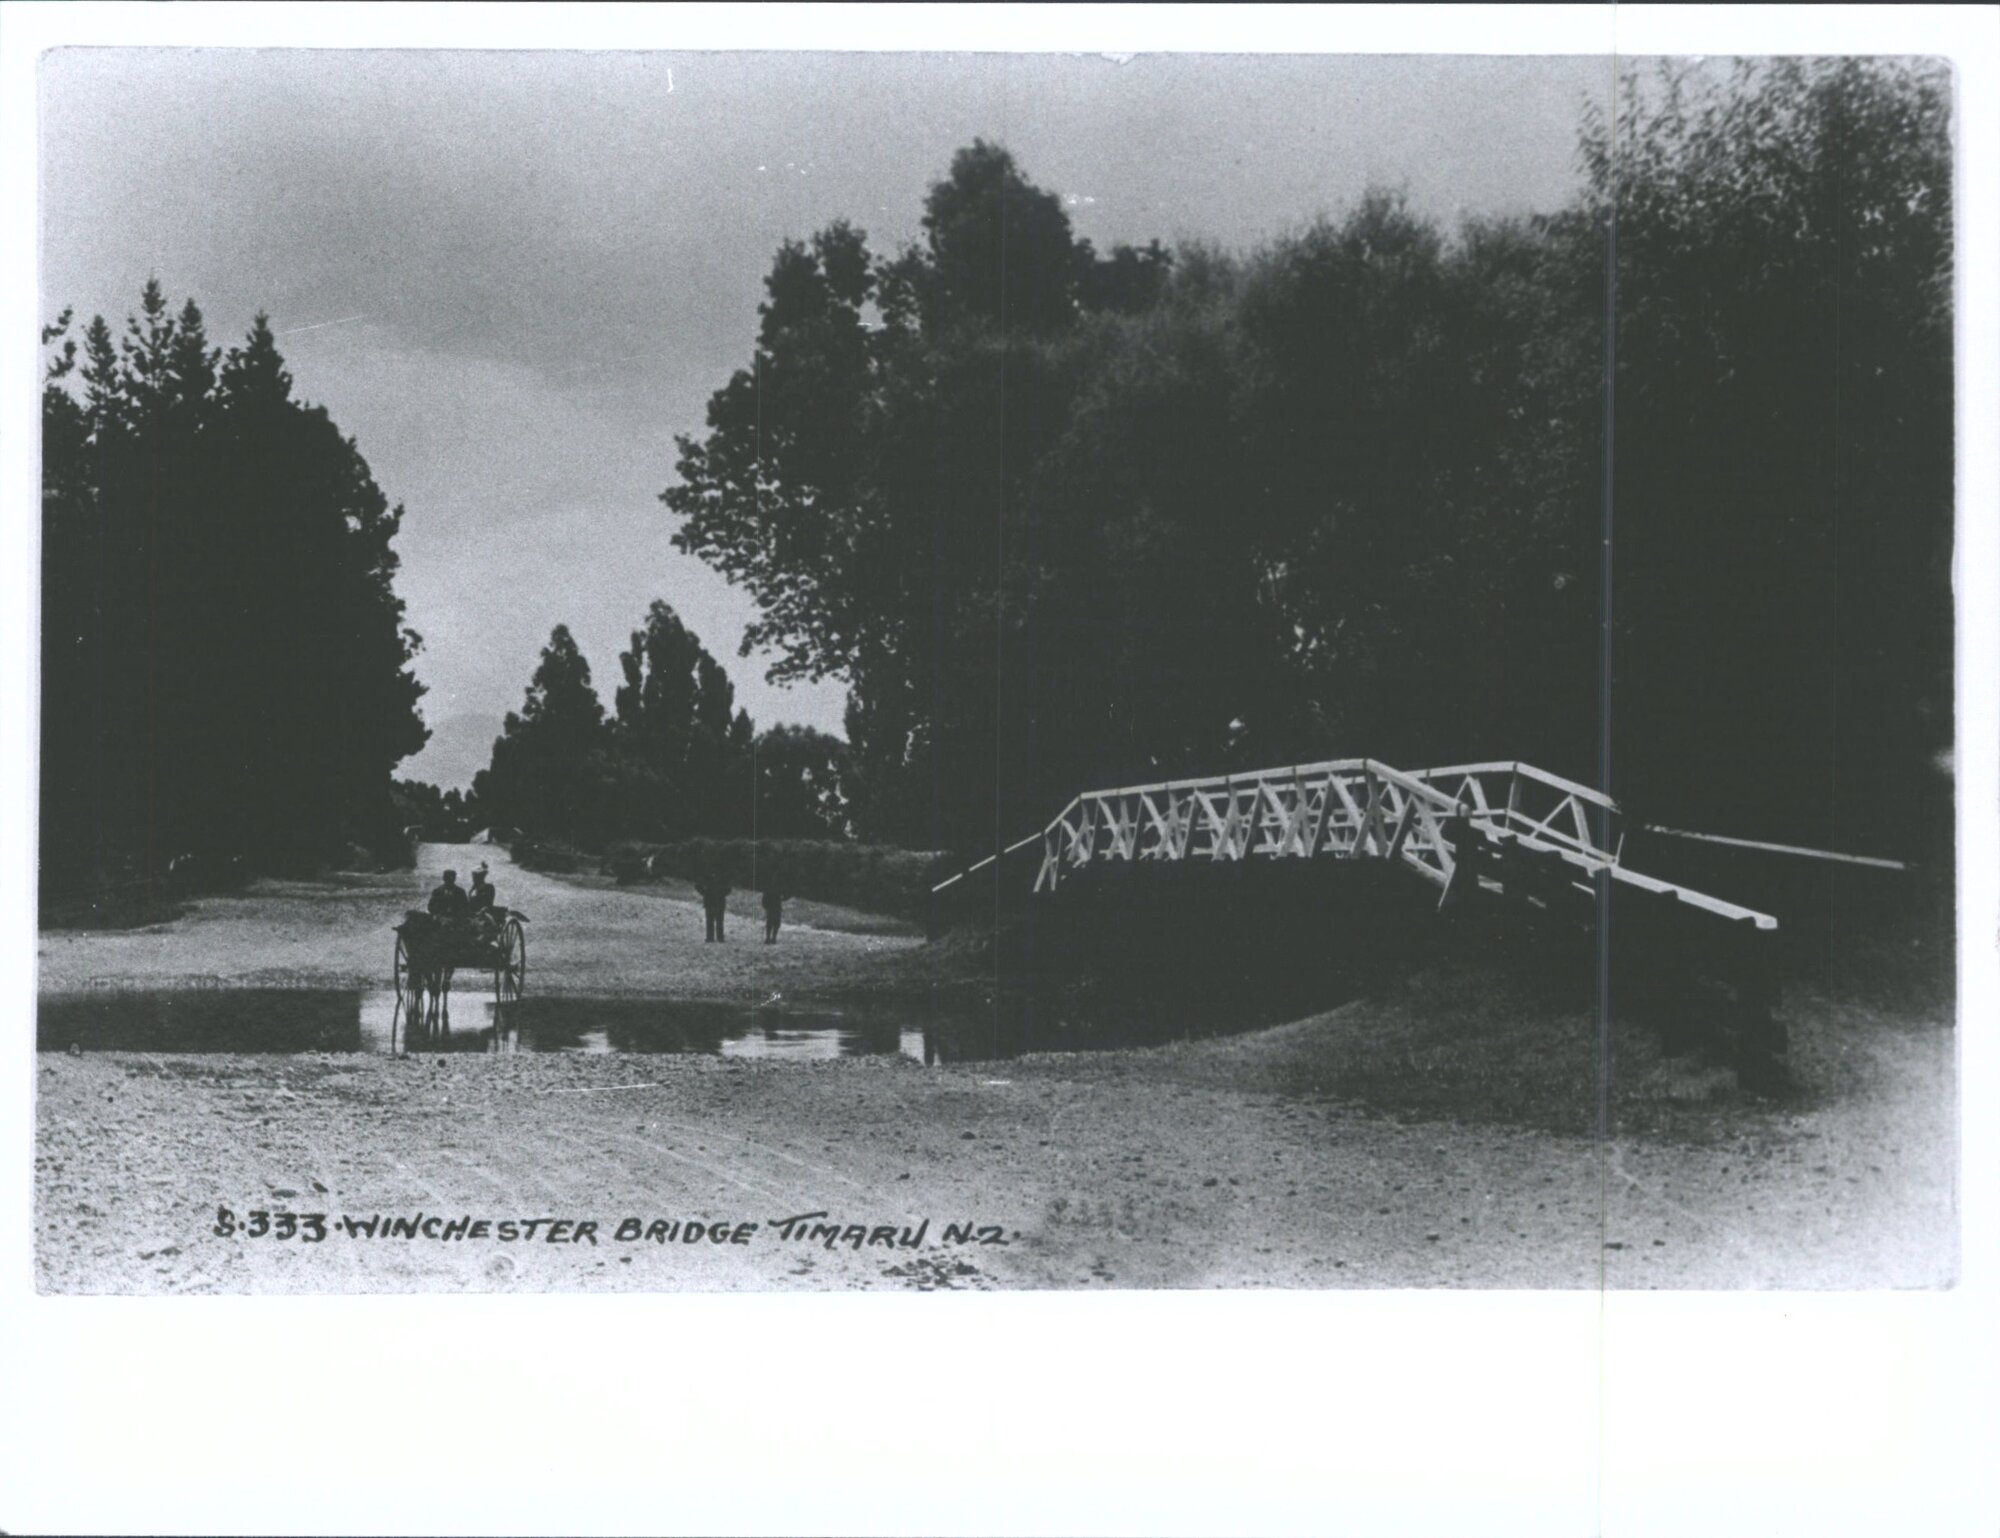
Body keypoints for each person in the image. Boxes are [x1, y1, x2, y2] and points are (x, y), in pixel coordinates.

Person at [695, 869, 731, 943]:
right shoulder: (707, 875)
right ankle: (711, 937)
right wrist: (705, 893)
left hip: (718, 901)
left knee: (719, 920)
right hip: (711, 901)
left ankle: (719, 937)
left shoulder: (723, 876)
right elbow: (697, 885)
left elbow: (729, 888)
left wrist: (722, 894)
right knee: (711, 920)